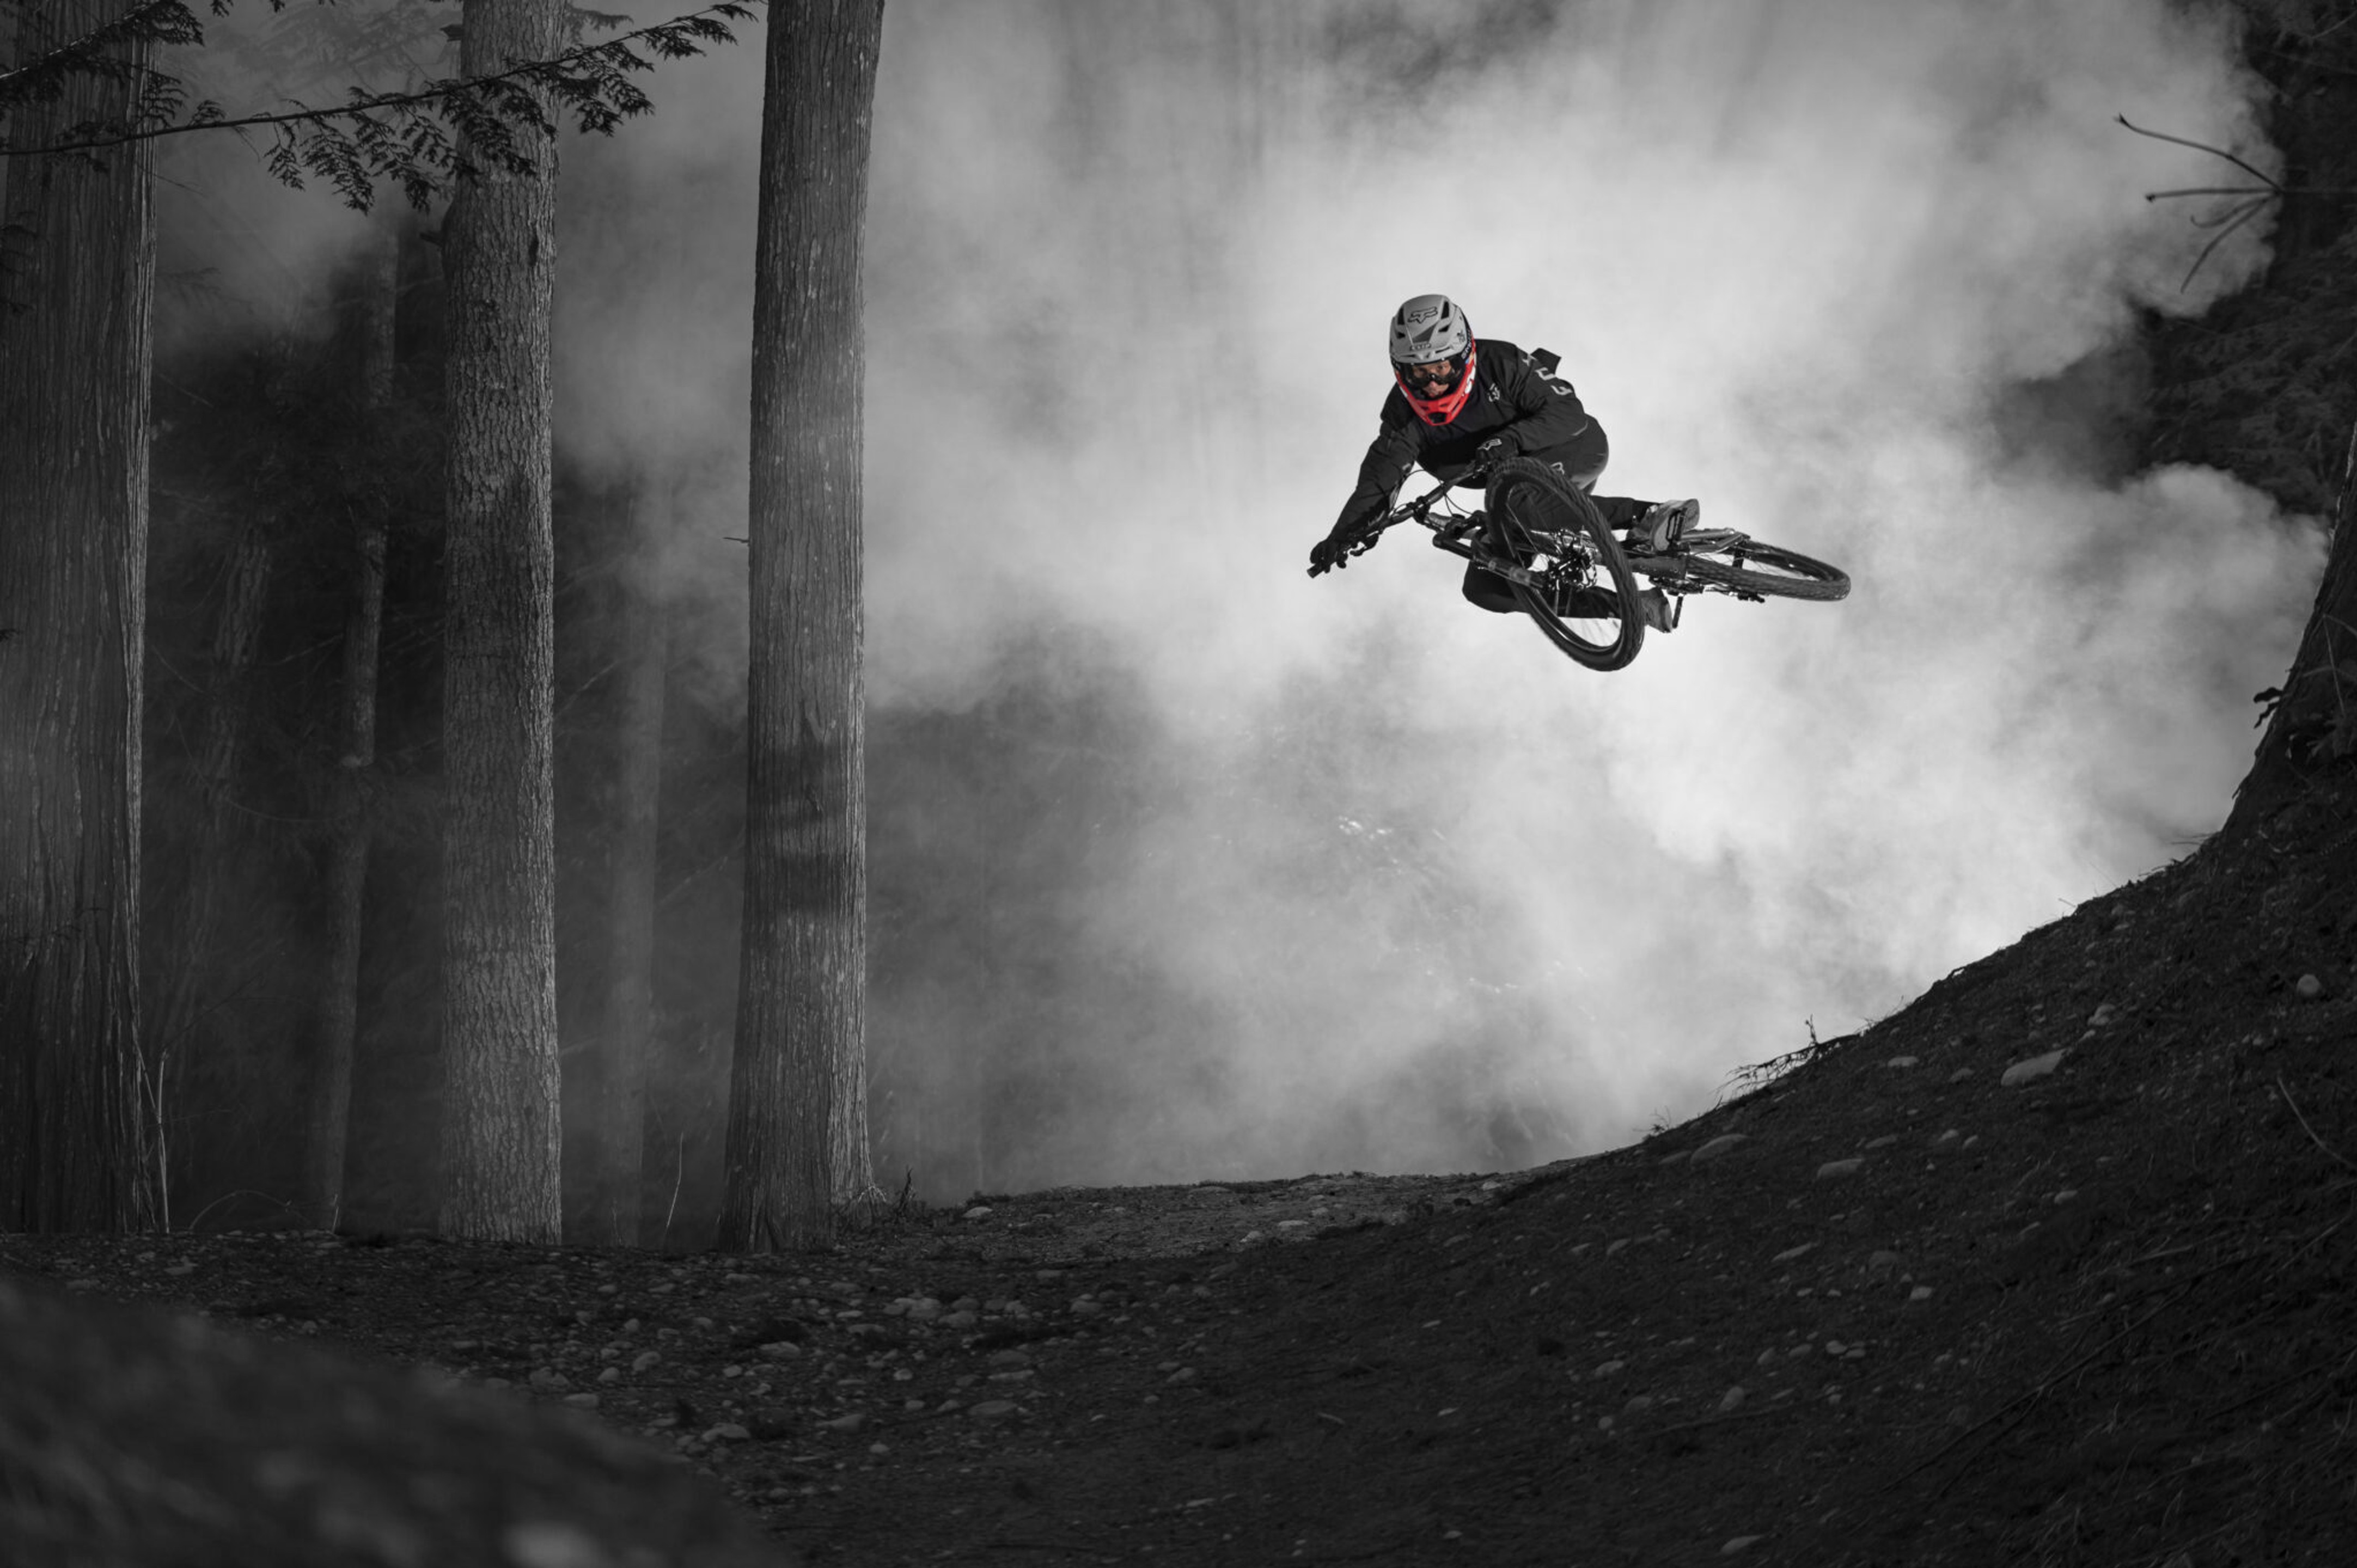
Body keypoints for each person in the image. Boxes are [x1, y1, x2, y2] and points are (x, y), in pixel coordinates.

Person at [1310, 293, 1696, 632]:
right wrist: (1342, 536)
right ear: (1401, 369)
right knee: (1487, 589)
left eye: (1441, 368)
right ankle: (1636, 608)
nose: (1432, 384)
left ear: (1461, 355)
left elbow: (1568, 413)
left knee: (1514, 501)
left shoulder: (1501, 361)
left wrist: (1508, 440)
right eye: (1419, 372)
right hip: (1512, 493)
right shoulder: (1402, 420)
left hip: (1573, 448)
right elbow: (1378, 484)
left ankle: (1651, 515)